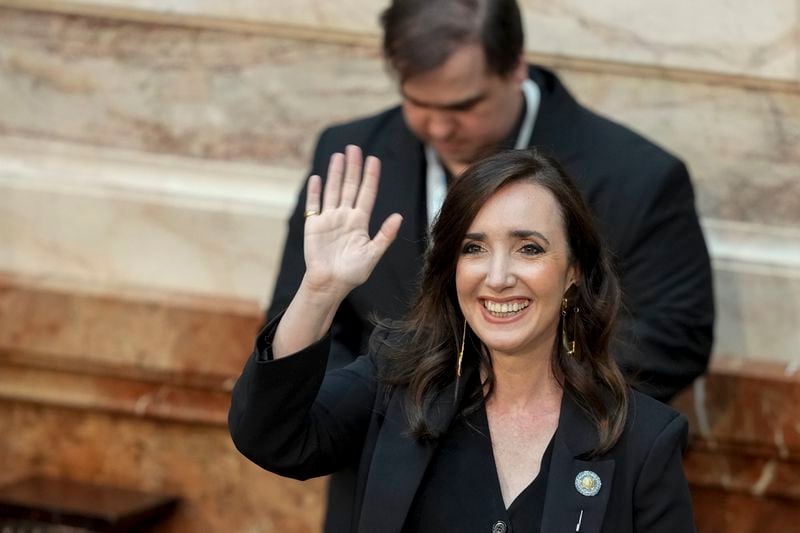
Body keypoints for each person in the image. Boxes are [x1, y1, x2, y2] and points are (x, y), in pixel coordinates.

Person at [267, 0, 714, 404]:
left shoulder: (638, 176)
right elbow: (301, 318)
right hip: (373, 464)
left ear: (516, 67)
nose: (440, 128)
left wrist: (499, 400)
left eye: (464, 106)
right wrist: (372, 419)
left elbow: (673, 341)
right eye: (417, 102)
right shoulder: (350, 154)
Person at [231, 147, 696, 532]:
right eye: (473, 248)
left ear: (573, 271)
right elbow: (273, 436)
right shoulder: (394, 382)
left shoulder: (643, 439)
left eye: (529, 248)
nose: (497, 277)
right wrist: (320, 291)